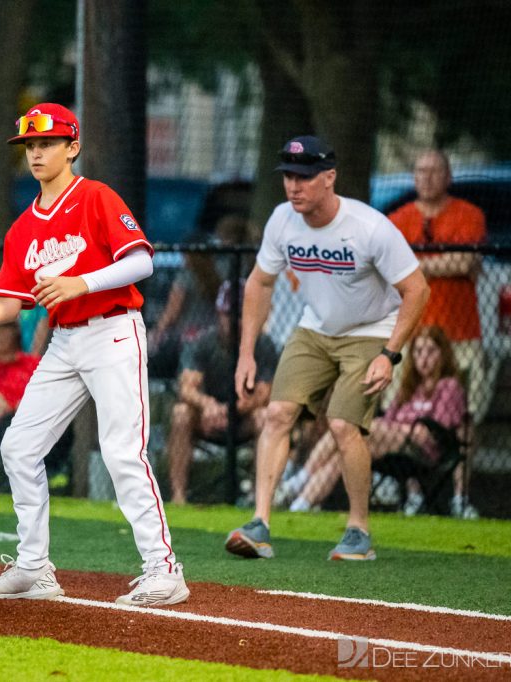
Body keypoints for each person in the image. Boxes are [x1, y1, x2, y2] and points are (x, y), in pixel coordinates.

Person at [0, 103, 188, 607]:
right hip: (65, 341)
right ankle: (34, 568)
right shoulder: (21, 228)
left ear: (72, 148)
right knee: (19, 447)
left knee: (123, 452)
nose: (36, 152)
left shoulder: (95, 197)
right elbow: (10, 305)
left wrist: (81, 281)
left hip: (114, 331)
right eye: (30, 146)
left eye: (48, 143)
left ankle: (164, 571)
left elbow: (142, 262)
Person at [225, 135, 429, 561]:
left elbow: (417, 290)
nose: (294, 186)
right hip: (316, 328)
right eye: (288, 177)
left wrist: (389, 354)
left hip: (372, 330)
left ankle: (359, 531)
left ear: (329, 178)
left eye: (304, 177)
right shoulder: (282, 220)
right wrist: (246, 353)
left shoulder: (369, 227)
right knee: (278, 413)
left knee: (341, 424)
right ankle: (259, 524)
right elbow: (260, 282)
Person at [279, 326, 468, 516]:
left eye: (431, 351)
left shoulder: (448, 386)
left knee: (358, 427)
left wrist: (400, 429)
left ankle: (301, 478)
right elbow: (389, 419)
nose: (424, 358)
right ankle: (300, 505)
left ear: (443, 354)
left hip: (425, 452)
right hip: (393, 445)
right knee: (343, 452)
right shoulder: (409, 389)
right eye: (419, 351)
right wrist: (399, 429)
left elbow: (434, 431)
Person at [388, 150, 492, 426]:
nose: (427, 177)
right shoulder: (398, 219)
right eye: (421, 171)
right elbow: (389, 268)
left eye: (435, 171)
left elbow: (464, 261)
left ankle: (460, 470)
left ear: (448, 177)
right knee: (401, 414)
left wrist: (415, 266)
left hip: (460, 334)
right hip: (412, 335)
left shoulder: (469, 215)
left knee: (465, 417)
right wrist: (445, 264)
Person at [165, 279, 278, 505]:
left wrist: (231, 411)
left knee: (265, 417)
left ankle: (259, 499)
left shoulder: (263, 344)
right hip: (207, 417)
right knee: (181, 413)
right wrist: (208, 405)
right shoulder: (204, 342)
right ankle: (178, 496)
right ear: (219, 313)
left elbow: (265, 393)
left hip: (243, 417)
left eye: (240, 315)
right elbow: (186, 387)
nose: (234, 321)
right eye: (229, 314)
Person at [149, 215, 255, 380]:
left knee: (156, 352)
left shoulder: (187, 275)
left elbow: (172, 313)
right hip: (216, 334)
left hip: (187, 338)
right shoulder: (226, 268)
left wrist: (155, 334)